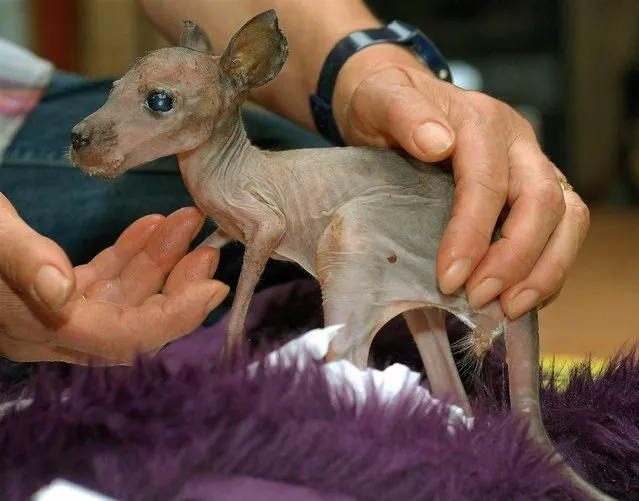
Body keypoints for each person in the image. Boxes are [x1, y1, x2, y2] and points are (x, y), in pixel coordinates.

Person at [0, 0, 589, 367]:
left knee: (310, 159)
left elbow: (267, 220)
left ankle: (346, 380)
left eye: (154, 101)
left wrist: (370, 70)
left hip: (21, 97)